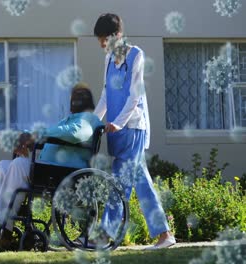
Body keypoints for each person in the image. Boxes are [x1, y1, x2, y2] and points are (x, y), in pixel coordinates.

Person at [0, 83, 103, 248]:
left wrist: (37, 136)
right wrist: (26, 138)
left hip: (62, 173)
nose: (73, 101)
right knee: (3, 166)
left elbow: (75, 133)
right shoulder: (70, 120)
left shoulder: (88, 120)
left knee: (19, 165)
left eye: (76, 98)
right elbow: (53, 133)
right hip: (47, 169)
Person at [92, 13, 176, 249]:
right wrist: (91, 122)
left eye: (104, 39)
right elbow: (105, 96)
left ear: (117, 35)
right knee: (141, 180)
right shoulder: (108, 60)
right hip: (116, 131)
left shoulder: (136, 55)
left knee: (120, 179)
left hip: (132, 127)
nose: (101, 44)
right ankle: (164, 234)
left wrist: (118, 122)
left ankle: (105, 235)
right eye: (99, 40)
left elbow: (134, 96)